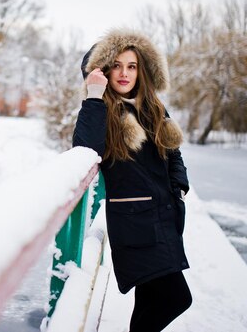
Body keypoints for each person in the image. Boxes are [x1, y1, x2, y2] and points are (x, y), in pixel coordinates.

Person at [72, 29, 192, 332]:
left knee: (151, 298)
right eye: (117, 65)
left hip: (165, 217)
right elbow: (86, 151)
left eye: (132, 66)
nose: (125, 73)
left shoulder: (152, 106)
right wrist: (94, 95)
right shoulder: (102, 109)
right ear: (104, 69)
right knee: (176, 298)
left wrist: (179, 186)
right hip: (137, 223)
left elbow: (173, 152)